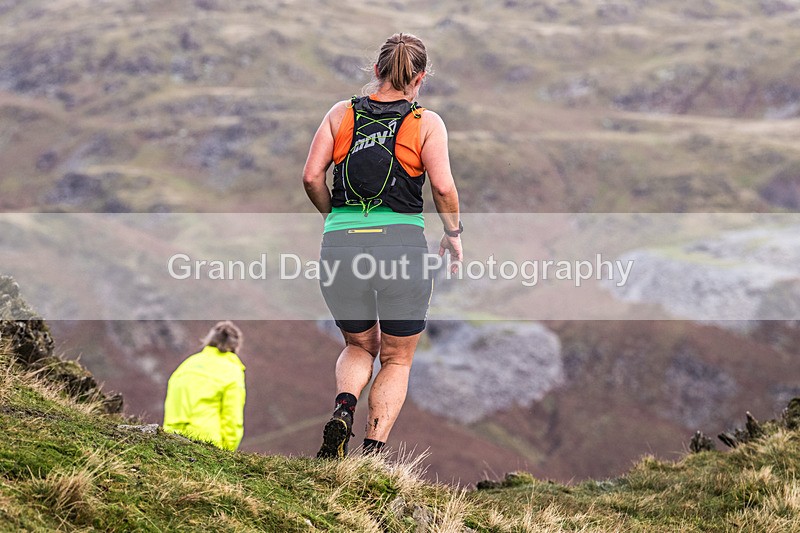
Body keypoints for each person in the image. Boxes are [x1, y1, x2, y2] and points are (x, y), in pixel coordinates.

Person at [303, 33, 463, 458]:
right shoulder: (425, 123)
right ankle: (372, 454)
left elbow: (311, 177)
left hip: (340, 246)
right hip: (403, 249)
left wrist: (334, 219)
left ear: (376, 71)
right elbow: (443, 188)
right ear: (421, 77)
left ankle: (343, 409)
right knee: (396, 358)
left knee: (359, 346)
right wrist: (453, 234)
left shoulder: (341, 114)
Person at [163, 321, 246, 451]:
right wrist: (228, 451)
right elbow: (232, 418)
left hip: (170, 440)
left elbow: (172, 404)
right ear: (236, 346)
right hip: (208, 444)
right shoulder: (232, 372)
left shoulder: (187, 365)